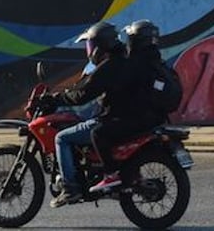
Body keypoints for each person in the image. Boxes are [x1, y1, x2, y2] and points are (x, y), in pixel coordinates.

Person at [47, 22, 162, 207]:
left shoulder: (109, 67)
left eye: (91, 45)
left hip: (118, 118)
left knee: (62, 138)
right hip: (136, 117)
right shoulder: (125, 62)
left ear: (99, 46)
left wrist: (57, 99)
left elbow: (83, 94)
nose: (89, 50)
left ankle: (71, 188)